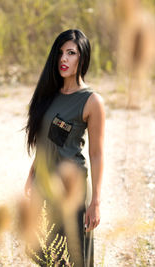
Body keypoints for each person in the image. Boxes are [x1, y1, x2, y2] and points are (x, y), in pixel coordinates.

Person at [24, 29, 105, 267]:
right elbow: (45, 141)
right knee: (43, 253)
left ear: (83, 58)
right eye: (60, 53)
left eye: (71, 53)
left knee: (74, 257)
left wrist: (96, 202)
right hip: (44, 184)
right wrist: (31, 175)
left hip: (72, 189)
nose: (63, 59)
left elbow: (97, 153)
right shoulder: (49, 94)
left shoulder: (91, 101)